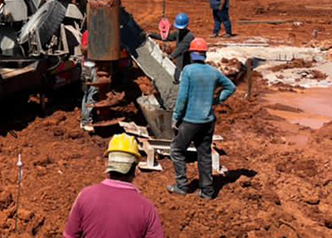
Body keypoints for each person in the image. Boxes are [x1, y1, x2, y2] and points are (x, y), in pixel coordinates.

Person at [168, 37, 236, 199]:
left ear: (192, 55)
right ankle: (207, 191)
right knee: (204, 154)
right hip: (208, 121)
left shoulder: (189, 71)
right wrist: (216, 100)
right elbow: (231, 87)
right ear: (204, 55)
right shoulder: (213, 72)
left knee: (176, 150)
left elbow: (182, 97)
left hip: (191, 121)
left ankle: (182, 186)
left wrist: (176, 116)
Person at [64, 134, 164, 238]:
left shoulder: (85, 196)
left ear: (107, 164)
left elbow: (70, 235)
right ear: (135, 169)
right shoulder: (147, 209)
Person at [149, 12, 194, 83]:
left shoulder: (189, 36)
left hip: (187, 61)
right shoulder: (178, 33)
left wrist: (170, 56)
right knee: (177, 78)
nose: (180, 30)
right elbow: (167, 37)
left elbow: (181, 48)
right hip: (180, 61)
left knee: (187, 79)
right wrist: (152, 35)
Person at [79, 30, 97, 132]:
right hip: (89, 67)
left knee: (88, 94)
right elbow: (83, 49)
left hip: (93, 66)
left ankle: (86, 120)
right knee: (91, 93)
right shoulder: (89, 33)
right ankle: (86, 121)